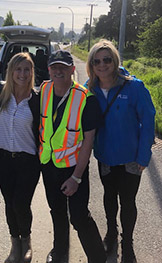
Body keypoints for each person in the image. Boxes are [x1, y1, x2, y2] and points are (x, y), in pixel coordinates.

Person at [85, 39, 155, 263]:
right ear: (91, 64)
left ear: (114, 60)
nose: (102, 65)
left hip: (131, 159)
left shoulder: (134, 87)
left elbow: (149, 120)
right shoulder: (90, 89)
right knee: (108, 198)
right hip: (105, 157)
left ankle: (128, 243)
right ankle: (111, 233)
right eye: (97, 61)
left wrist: (144, 155)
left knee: (128, 202)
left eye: (107, 59)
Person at [39, 50, 107, 263]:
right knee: (56, 211)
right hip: (49, 166)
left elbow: (88, 142)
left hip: (73, 169)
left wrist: (76, 177)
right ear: (49, 69)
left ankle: (98, 258)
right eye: (54, 67)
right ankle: (60, 251)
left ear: (72, 69)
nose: (58, 71)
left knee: (78, 216)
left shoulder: (86, 99)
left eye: (63, 67)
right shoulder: (43, 90)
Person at [0, 52, 40, 263]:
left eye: (26, 69)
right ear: (10, 72)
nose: (22, 74)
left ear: (32, 72)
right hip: (2, 160)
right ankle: (14, 243)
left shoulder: (37, 99)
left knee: (21, 203)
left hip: (27, 161)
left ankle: (26, 240)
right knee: (9, 203)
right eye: (18, 69)